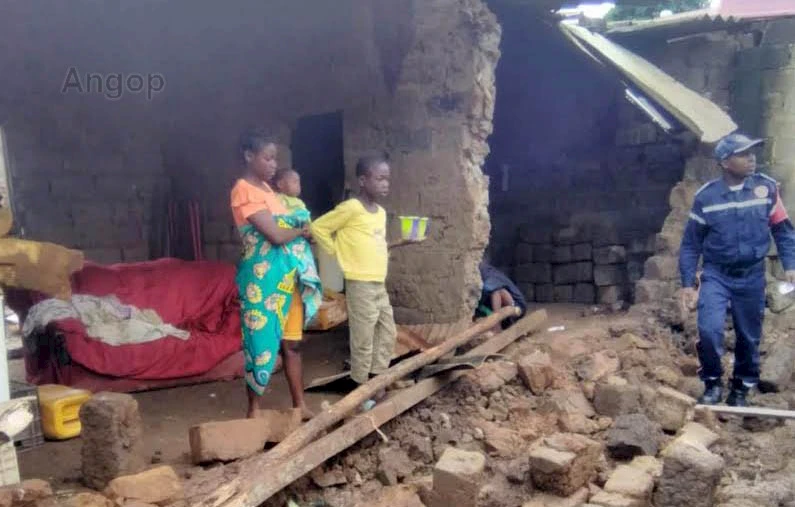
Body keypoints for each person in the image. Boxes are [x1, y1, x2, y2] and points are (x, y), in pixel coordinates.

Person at [679, 132, 795, 408]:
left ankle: (742, 387)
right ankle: (712, 383)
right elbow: (690, 244)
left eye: (753, 153)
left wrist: (791, 265)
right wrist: (686, 283)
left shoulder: (766, 189)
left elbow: (783, 231)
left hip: (752, 275)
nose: (752, 159)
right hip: (717, 275)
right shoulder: (706, 197)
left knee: (748, 335)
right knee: (708, 330)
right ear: (725, 162)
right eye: (744, 155)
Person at [230, 128, 322, 420]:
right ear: (249, 156)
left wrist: (300, 232)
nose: (273, 165)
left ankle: (300, 406)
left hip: (287, 278)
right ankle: (253, 410)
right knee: (260, 344)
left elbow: (286, 226)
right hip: (261, 281)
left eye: (275, 159)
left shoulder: (270, 191)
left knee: (292, 345)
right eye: (267, 158)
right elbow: (275, 235)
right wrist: (301, 230)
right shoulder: (243, 189)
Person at [311, 155, 418, 391]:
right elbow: (318, 227)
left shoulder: (379, 212)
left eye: (387, 179)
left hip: (378, 284)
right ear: (362, 180)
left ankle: (377, 379)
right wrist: (337, 252)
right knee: (363, 338)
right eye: (379, 178)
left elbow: (375, 244)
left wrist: (399, 243)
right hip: (360, 284)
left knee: (387, 332)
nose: (385, 184)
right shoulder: (350, 208)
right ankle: (361, 386)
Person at [477, 260, 527, 328]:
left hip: (517, 307)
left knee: (497, 291)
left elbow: (489, 287)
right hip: (501, 313)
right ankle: (503, 322)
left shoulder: (488, 273)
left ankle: (497, 326)